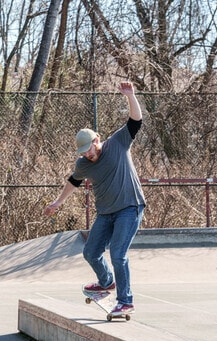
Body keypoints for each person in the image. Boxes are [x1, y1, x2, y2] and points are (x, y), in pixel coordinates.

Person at [44, 81, 145, 317]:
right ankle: (106, 281)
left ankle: (125, 300)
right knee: (90, 252)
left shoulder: (118, 143)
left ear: (97, 140)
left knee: (118, 254)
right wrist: (58, 202)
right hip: (106, 213)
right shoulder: (83, 164)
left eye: (90, 148)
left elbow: (135, 121)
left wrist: (130, 96)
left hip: (129, 209)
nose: (89, 154)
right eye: (84, 153)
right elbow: (74, 181)